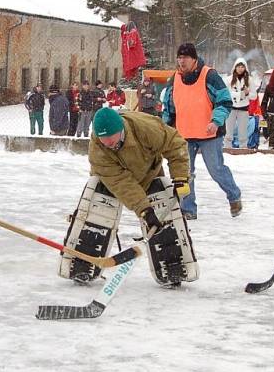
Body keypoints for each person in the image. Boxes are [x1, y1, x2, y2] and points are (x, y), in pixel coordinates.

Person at [68, 107, 197, 287]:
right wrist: (144, 210)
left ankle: (172, 270)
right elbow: (122, 183)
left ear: (121, 129)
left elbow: (175, 144)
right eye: (104, 141)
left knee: (163, 221)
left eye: (112, 140)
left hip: (150, 173)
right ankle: (81, 266)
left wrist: (180, 177)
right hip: (111, 182)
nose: (109, 144)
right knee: (97, 217)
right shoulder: (98, 149)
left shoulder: (145, 127)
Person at [162, 42, 242, 219]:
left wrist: (216, 120)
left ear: (194, 59)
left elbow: (224, 101)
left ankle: (234, 196)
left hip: (209, 133)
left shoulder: (209, 75)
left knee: (216, 169)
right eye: (179, 57)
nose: (181, 61)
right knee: (184, 174)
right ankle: (188, 209)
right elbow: (169, 107)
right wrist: (165, 128)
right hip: (184, 133)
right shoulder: (174, 78)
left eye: (185, 58)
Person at [224, 58, 253, 149]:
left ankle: (243, 148)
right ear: (235, 68)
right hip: (231, 108)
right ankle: (227, 147)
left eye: (242, 67)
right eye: (238, 67)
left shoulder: (250, 80)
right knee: (228, 130)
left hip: (243, 108)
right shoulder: (228, 80)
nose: (240, 69)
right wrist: (238, 94)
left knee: (243, 131)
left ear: (245, 68)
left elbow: (254, 96)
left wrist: (247, 93)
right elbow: (225, 93)